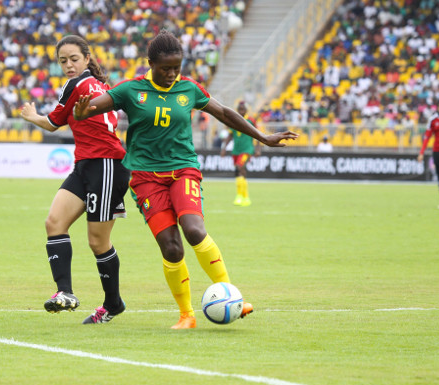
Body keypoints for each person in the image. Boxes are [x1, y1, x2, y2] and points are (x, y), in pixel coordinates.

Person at [73, 30, 298, 329]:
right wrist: (81, 111)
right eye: (165, 68)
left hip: (182, 170)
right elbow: (89, 109)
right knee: (171, 248)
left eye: (176, 68)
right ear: (150, 64)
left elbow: (224, 113)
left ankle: (233, 297)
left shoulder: (188, 88)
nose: (171, 74)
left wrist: (262, 136)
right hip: (145, 178)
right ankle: (187, 315)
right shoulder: (131, 90)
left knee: (193, 229)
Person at [20, 35, 129, 324]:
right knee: (54, 223)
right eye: (63, 61)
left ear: (87, 58)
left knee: (98, 242)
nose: (68, 65)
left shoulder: (78, 84)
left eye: (73, 59)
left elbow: (53, 124)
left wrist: (31, 115)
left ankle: (113, 303)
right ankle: (65, 293)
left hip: (106, 164)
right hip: (87, 164)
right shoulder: (99, 85)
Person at [220, 101, 261, 206]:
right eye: (240, 109)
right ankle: (245, 197)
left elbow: (258, 135)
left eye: (243, 109)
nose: (241, 111)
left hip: (247, 149)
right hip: (236, 150)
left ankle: (239, 196)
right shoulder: (233, 120)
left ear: (246, 109)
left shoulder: (251, 120)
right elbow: (230, 135)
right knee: (240, 172)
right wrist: (224, 148)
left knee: (239, 167)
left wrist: (258, 149)